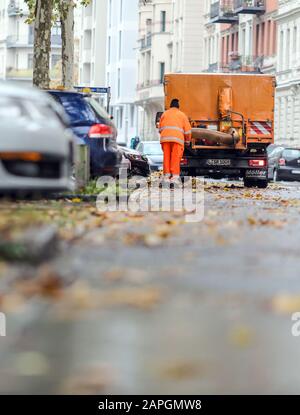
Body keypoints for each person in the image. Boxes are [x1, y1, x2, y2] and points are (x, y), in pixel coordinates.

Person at [158, 98, 192, 183]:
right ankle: (175, 177)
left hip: (165, 139)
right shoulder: (182, 115)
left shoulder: (164, 114)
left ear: (170, 106)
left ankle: (166, 176)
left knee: (167, 157)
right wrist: (187, 140)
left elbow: (160, 129)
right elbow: (187, 130)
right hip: (177, 140)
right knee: (175, 158)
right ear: (178, 106)